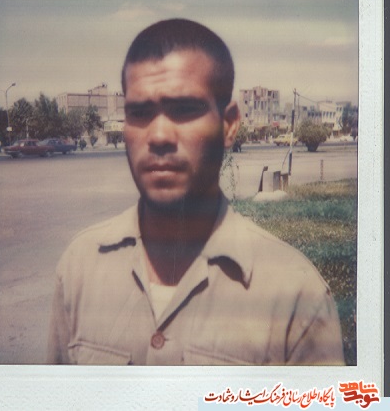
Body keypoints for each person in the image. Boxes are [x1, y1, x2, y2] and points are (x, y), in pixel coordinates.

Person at [47, 18, 344, 365]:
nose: (159, 136)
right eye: (139, 112)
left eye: (185, 109)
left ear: (229, 125)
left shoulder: (295, 296)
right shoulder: (80, 267)